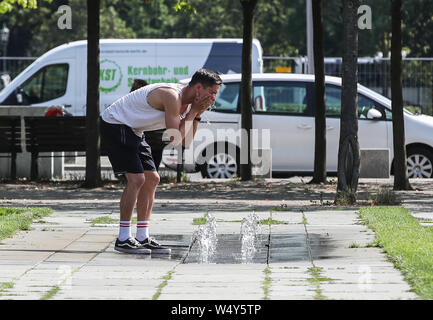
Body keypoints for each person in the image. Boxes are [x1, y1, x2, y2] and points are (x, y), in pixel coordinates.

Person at [100, 69, 222, 254]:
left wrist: (196, 114)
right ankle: (123, 238)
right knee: (137, 179)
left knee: (153, 179)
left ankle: (142, 236)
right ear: (198, 88)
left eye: (215, 94)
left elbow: (186, 141)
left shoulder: (190, 105)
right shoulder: (171, 96)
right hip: (115, 123)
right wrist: (194, 111)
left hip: (134, 129)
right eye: (211, 92)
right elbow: (175, 138)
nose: (213, 98)